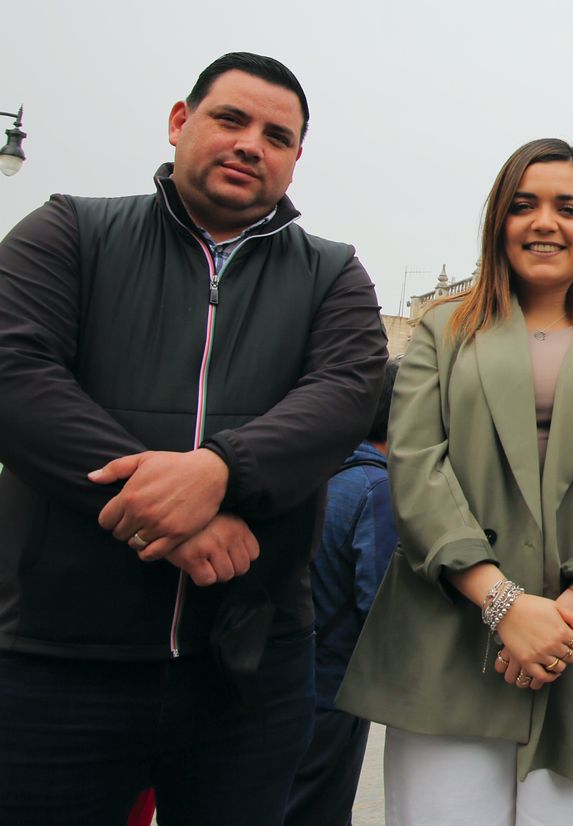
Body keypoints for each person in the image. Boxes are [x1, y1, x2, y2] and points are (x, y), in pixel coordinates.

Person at [0, 52, 389, 824]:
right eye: (230, 119)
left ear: (296, 158)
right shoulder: (70, 230)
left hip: (249, 664)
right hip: (60, 657)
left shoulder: (332, 274)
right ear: (181, 121)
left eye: (277, 135)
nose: (252, 144)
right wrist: (173, 511)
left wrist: (219, 470)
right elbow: (15, 371)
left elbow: (344, 396)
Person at [337, 139, 573, 826]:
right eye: (524, 205)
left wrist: (565, 610)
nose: (545, 222)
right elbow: (417, 468)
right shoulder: (443, 333)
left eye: (569, 207)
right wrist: (503, 604)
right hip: (451, 638)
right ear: (498, 221)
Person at [287, 358, 402, 826]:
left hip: (289, 678)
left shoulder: (318, 475)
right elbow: (381, 604)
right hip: (334, 690)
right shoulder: (377, 488)